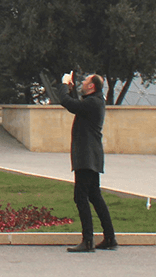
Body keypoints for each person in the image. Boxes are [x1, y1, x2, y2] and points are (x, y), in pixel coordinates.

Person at [39, 71, 117, 253]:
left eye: (86, 82)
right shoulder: (96, 101)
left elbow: (68, 104)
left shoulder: (93, 102)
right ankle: (110, 237)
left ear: (92, 86)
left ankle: (88, 240)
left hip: (86, 156)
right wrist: (72, 90)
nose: (83, 83)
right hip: (91, 155)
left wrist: (64, 85)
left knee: (81, 197)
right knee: (94, 196)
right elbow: (78, 105)